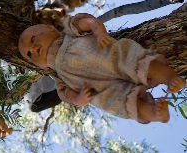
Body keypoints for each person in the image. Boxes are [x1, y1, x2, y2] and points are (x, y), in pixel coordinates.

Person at [18, 13, 185, 123]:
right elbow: (64, 94)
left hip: (110, 58)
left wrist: (99, 32)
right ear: (37, 65)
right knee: (120, 104)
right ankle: (154, 113)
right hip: (100, 90)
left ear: (49, 28)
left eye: (33, 39)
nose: (33, 49)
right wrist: (78, 100)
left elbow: (88, 22)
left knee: (140, 63)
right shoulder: (57, 75)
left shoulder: (68, 32)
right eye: (29, 55)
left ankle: (171, 78)